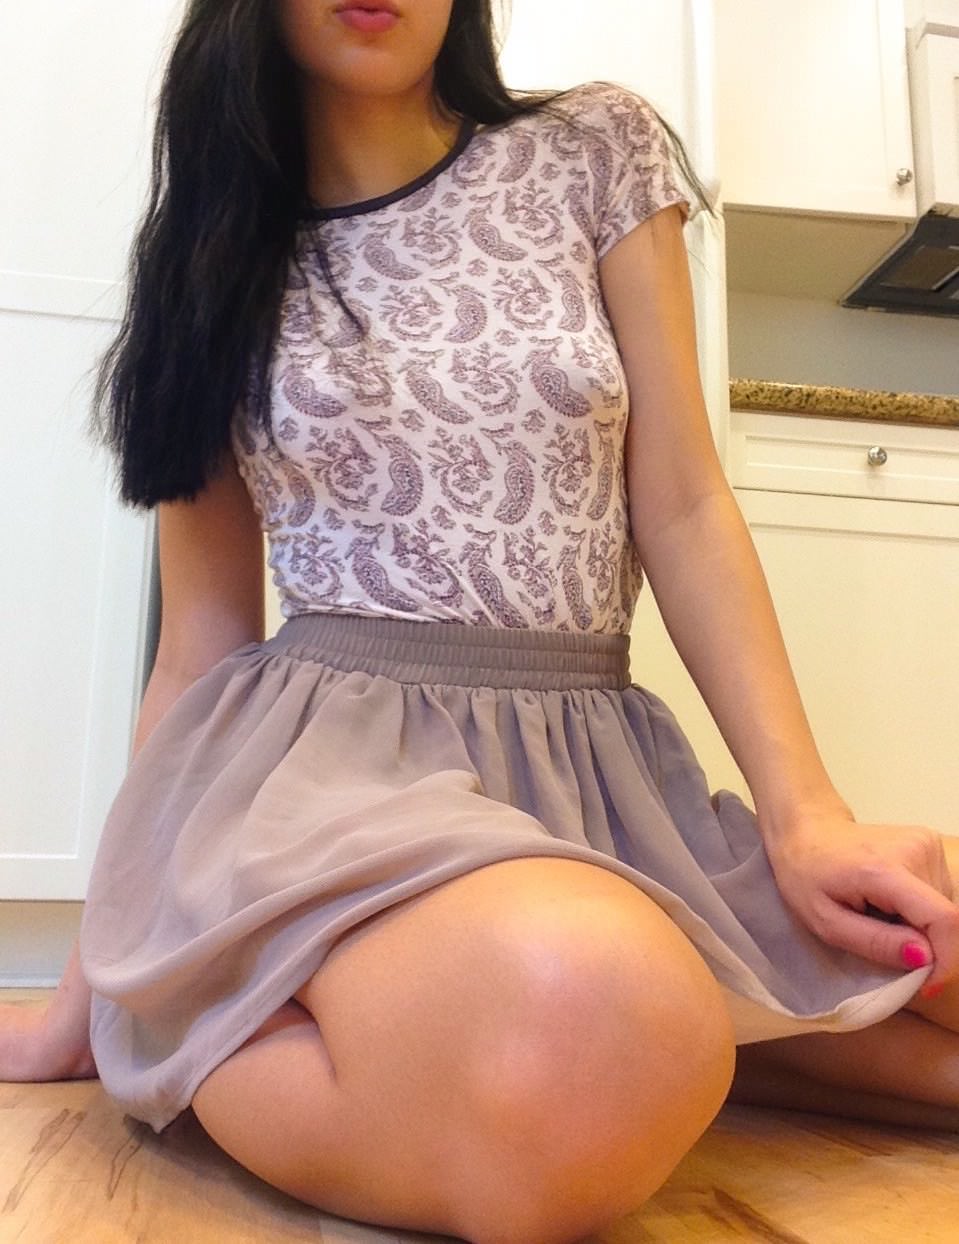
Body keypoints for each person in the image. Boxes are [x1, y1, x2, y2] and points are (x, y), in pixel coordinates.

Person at [3, 1, 958, 1241]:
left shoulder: (594, 149)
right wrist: (92, 987)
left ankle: (662, 1039)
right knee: (597, 1008)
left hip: (600, 780)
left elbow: (681, 506)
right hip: (324, 794)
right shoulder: (214, 257)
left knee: (893, 944)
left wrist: (804, 816)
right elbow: (199, 646)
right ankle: (184, 1017)